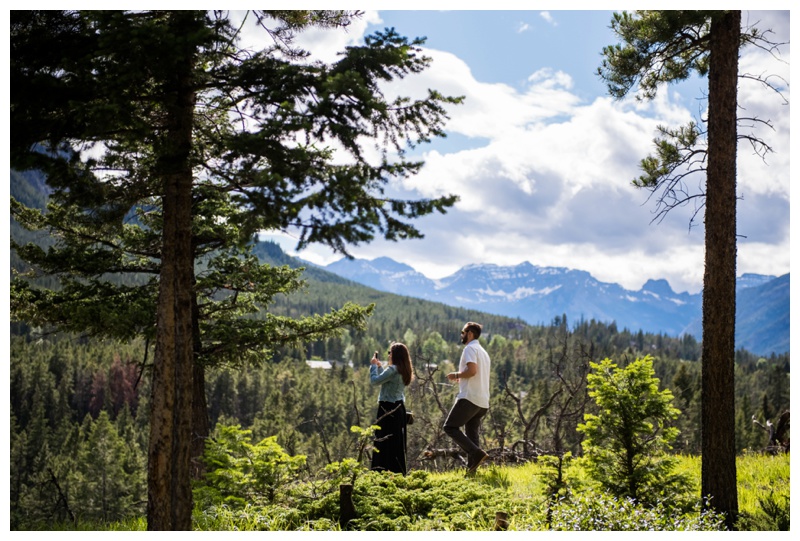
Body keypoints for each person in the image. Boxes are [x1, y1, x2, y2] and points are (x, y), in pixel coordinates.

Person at [444, 321, 491, 475]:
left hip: (469, 397)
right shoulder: (483, 352)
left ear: (470, 333)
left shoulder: (469, 348)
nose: (461, 335)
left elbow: (472, 371)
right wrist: (462, 378)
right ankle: (472, 472)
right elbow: (474, 373)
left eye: (463, 332)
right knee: (472, 434)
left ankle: (476, 453)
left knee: (450, 427)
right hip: (482, 402)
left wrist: (457, 374)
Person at [369, 341, 414, 475]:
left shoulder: (392, 369)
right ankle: (397, 473)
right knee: (395, 444)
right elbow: (387, 380)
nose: (389, 355)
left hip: (387, 409)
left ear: (395, 355)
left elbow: (375, 381)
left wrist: (373, 367)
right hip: (399, 408)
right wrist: (380, 367)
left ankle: (379, 472)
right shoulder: (403, 369)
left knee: (382, 442)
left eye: (390, 353)